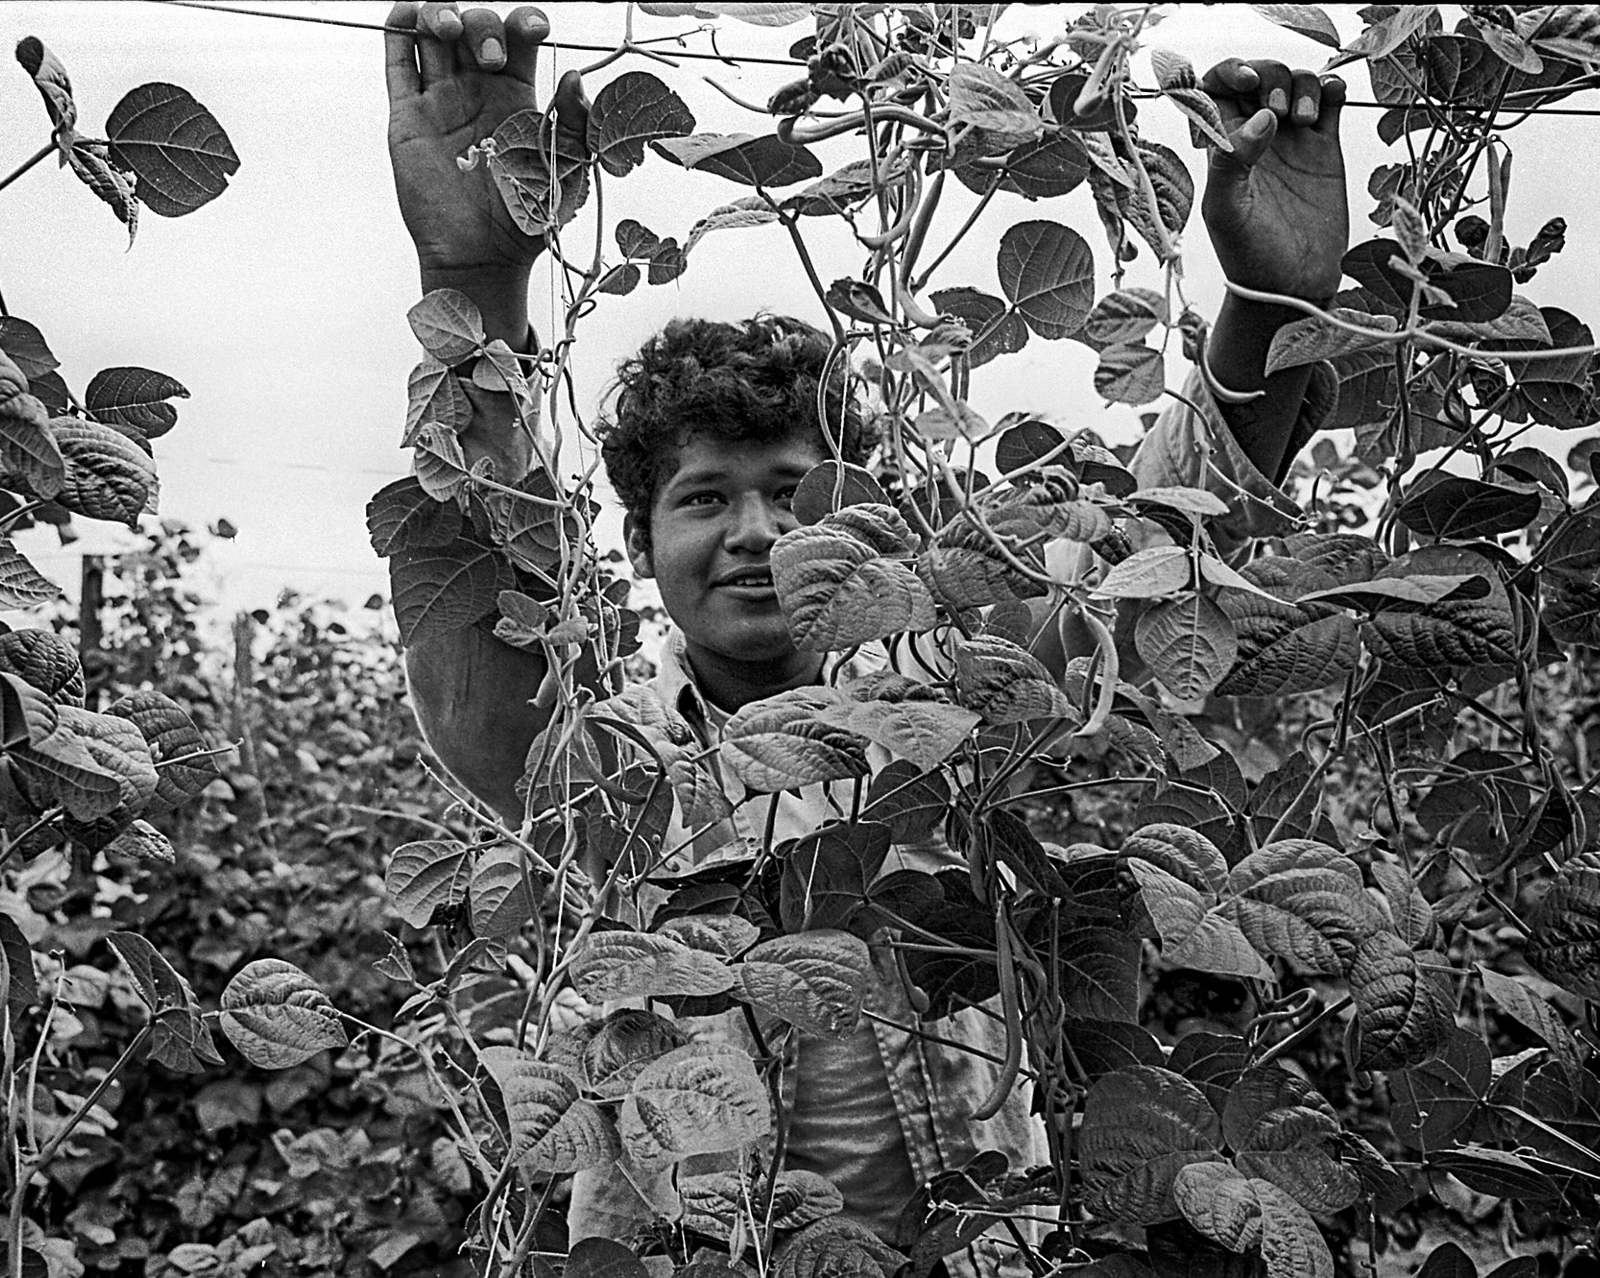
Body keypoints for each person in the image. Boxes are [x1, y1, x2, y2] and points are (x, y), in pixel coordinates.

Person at [382, 2, 1348, 1267]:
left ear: (867, 518)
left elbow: (1144, 566)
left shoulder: (960, 709)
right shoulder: (597, 768)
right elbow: (479, 564)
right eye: (703, 498)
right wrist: (472, 285)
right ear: (633, 551)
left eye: (792, 492)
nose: (751, 531)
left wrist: (1268, 305)